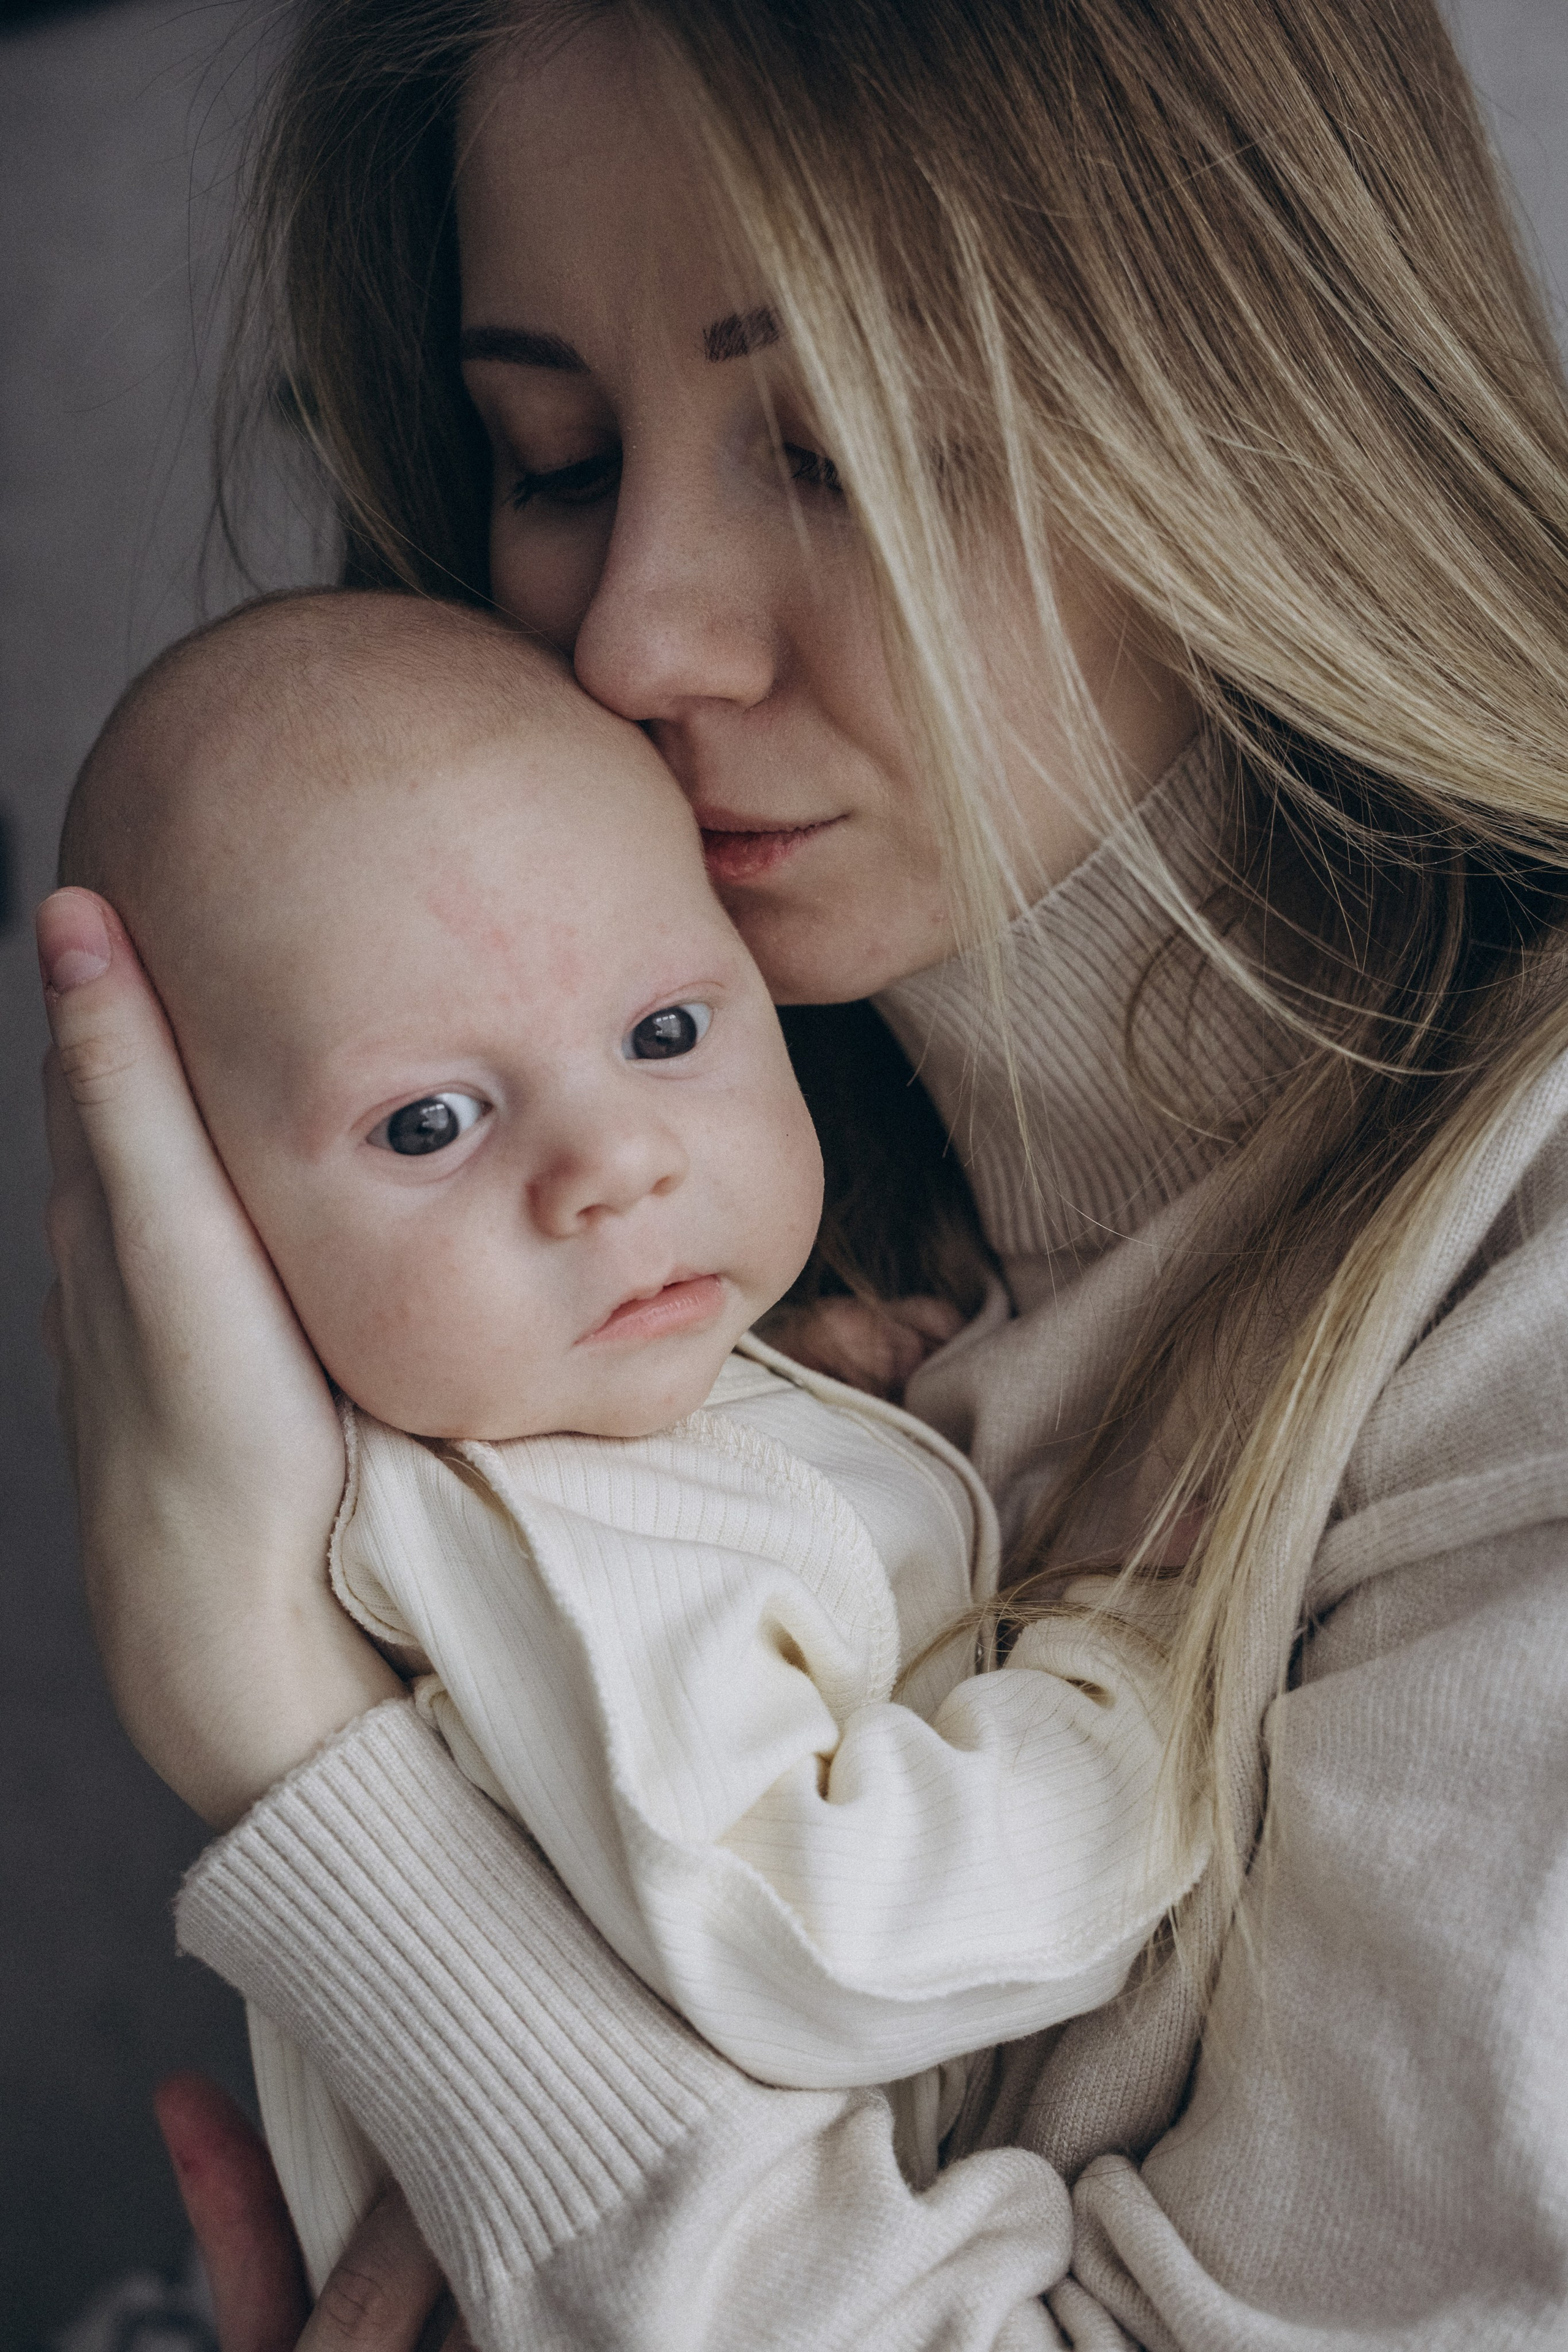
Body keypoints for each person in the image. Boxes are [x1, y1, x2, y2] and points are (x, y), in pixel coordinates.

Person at [36, 0, 1568, 2343]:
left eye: (835, 446)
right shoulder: (669, 1304)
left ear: (1253, 401)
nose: (635, 632)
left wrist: (285, 1737)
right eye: (548, 455)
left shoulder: (1525, 1280)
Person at [60, 586, 1201, 2290]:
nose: (615, 1160)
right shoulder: (570, 1544)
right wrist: (1137, 1681)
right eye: (428, 1121)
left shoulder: (560, 1428)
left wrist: (808, 1394)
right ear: (198, 1227)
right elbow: (833, 1930)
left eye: (668, 1033)